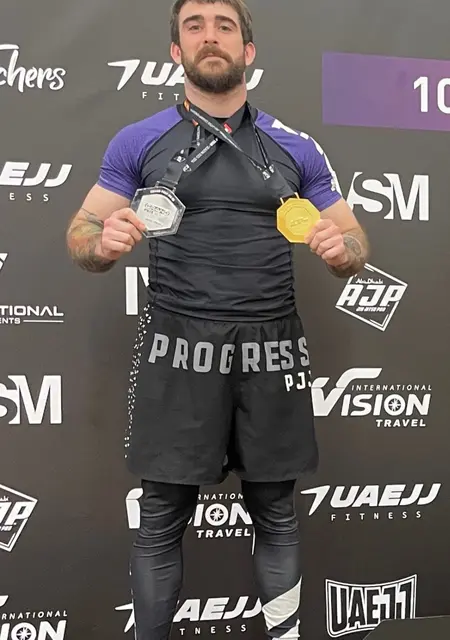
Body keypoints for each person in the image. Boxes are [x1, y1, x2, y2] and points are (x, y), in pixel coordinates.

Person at [66, 0, 369, 638]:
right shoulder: (138, 140)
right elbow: (83, 231)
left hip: (271, 350)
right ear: (176, 51)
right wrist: (102, 242)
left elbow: (353, 240)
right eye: (194, 27)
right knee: (160, 519)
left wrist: (344, 251)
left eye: (224, 27)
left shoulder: (295, 146)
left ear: (247, 51)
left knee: (277, 514)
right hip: (179, 348)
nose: (211, 37)